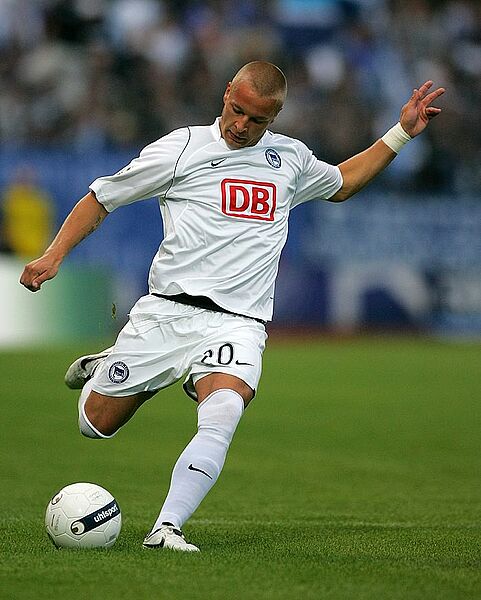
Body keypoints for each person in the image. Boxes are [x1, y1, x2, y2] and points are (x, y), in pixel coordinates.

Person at [20, 61, 444, 552]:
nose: (242, 125)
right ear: (226, 93)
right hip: (167, 312)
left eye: (257, 119)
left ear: (275, 117)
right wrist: (54, 254)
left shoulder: (289, 159)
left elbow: (343, 183)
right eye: (237, 110)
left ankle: (167, 528)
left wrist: (401, 133)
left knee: (223, 410)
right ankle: (108, 365)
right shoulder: (181, 148)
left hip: (239, 323)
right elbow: (102, 198)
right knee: (94, 424)